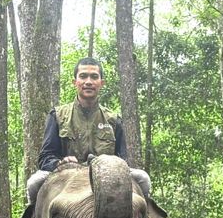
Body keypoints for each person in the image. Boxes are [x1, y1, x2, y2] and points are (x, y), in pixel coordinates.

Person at [28, 57, 149, 205]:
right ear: (75, 82)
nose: (88, 82)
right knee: (34, 183)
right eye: (83, 76)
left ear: (101, 83)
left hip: (107, 175)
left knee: (143, 179)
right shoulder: (57, 116)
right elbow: (45, 157)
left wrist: (110, 165)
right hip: (66, 175)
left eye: (94, 77)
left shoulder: (114, 120)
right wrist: (60, 162)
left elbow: (123, 160)